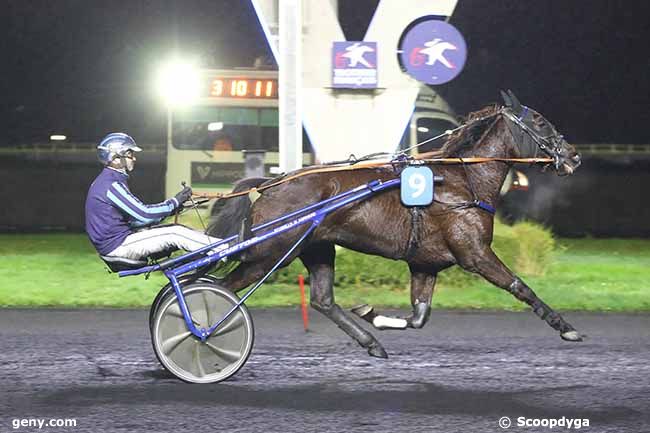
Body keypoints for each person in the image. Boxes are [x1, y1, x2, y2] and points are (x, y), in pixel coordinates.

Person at [85, 132, 224, 261]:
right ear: (115, 158)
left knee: (176, 230)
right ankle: (226, 249)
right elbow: (144, 214)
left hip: (118, 242)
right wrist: (174, 202)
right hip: (117, 245)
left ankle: (219, 249)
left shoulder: (110, 180)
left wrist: (172, 210)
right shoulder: (110, 184)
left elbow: (136, 221)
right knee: (175, 233)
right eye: (129, 153)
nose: (134, 158)